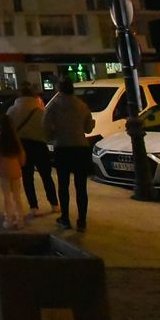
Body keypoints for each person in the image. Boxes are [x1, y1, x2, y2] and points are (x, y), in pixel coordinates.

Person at [43, 77, 95, 231]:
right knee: (81, 186)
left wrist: (51, 136)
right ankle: (82, 220)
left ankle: (65, 218)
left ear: (59, 89)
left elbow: (45, 126)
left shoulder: (53, 106)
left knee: (63, 185)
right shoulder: (82, 105)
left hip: (63, 147)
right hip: (80, 148)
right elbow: (88, 129)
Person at [4, 83, 57, 217]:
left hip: (21, 146)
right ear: (33, 96)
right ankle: (54, 204)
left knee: (27, 177)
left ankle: (33, 207)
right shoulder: (40, 111)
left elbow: (6, 129)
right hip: (39, 145)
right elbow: (49, 129)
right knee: (46, 176)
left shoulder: (12, 111)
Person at [0, 113, 28, 230]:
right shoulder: (15, 138)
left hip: (3, 172)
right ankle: (20, 220)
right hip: (16, 171)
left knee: (7, 196)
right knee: (17, 196)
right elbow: (22, 155)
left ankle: (8, 220)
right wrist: (21, 164)